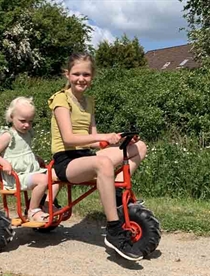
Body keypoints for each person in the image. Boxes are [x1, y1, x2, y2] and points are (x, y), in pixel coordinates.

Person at [48, 53, 147, 261]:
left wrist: (112, 140)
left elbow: (92, 138)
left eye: (86, 74)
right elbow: (69, 137)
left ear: (92, 76)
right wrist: (102, 138)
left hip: (86, 156)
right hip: (66, 161)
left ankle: (118, 197)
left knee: (139, 146)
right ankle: (113, 230)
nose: (81, 78)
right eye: (76, 74)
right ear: (67, 74)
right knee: (102, 162)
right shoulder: (61, 99)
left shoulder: (89, 102)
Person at [0, 96, 59, 222]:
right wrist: (4, 163)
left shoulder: (27, 134)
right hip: (16, 176)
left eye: (30, 121)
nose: (27, 125)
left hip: (30, 173)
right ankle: (33, 211)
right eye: (23, 121)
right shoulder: (8, 136)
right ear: (11, 117)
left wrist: (37, 158)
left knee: (57, 175)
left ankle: (46, 204)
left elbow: (24, 152)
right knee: (43, 179)